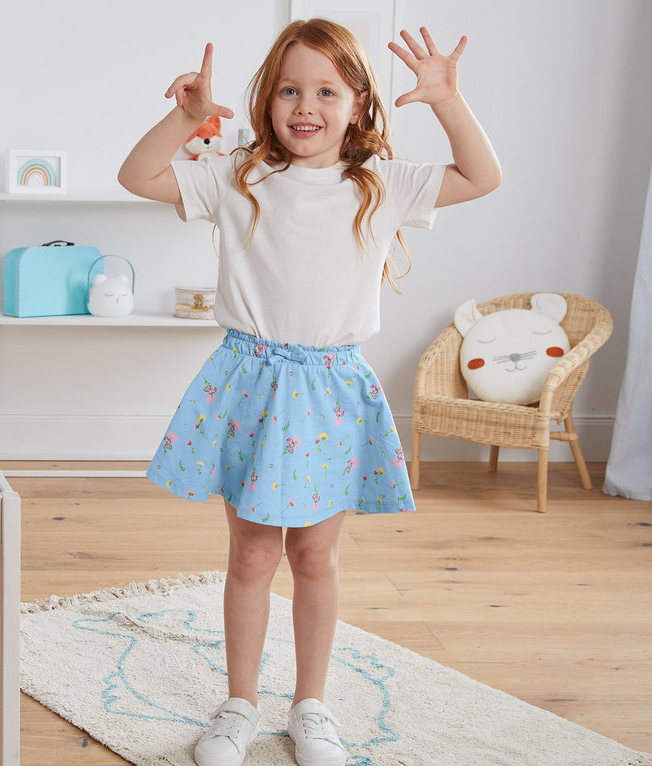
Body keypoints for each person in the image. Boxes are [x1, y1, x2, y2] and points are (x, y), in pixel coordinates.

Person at [118, 18, 500, 766]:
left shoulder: (382, 184)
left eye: (326, 90)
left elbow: (483, 177)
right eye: (290, 89)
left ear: (358, 103)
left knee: (317, 558)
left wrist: (449, 101)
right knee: (253, 554)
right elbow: (139, 177)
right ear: (267, 100)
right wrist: (186, 116)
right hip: (250, 380)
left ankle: (310, 705)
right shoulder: (237, 175)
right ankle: (238, 704)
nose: (305, 105)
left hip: (331, 391)